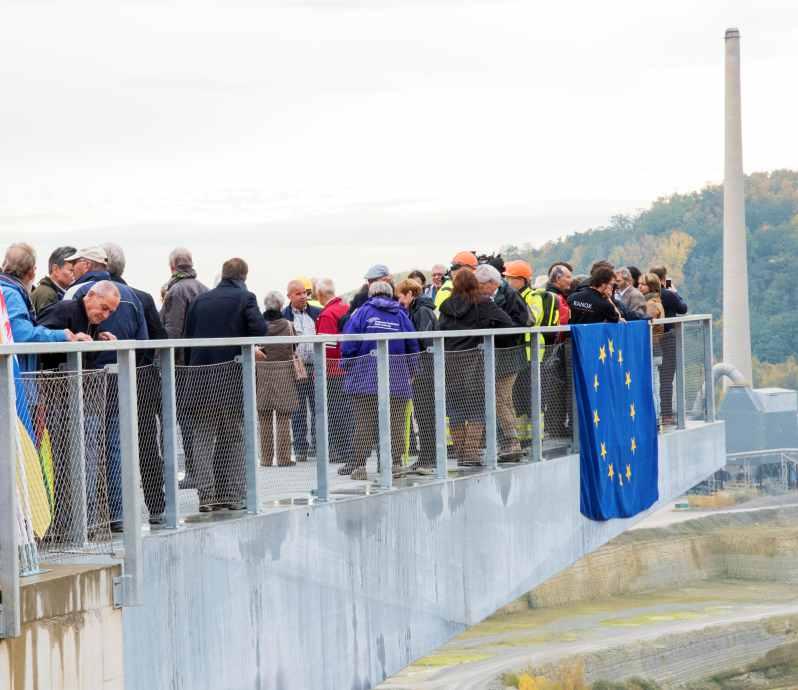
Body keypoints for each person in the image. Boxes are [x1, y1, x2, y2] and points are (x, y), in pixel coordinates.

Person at [183, 258, 268, 512]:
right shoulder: (246, 298)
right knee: (234, 437)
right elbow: (259, 330)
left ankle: (206, 496)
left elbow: (188, 338)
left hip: (199, 377)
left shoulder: (200, 300)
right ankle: (234, 495)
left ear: (222, 274)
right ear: (244, 276)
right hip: (231, 377)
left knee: (202, 438)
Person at [103, 242, 167, 525]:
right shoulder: (141, 297)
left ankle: (113, 512)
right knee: (146, 444)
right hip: (141, 378)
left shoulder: (88, 295)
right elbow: (159, 339)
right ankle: (156, 505)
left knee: (107, 444)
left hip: (103, 381)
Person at [337, 281, 420, 481]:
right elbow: (412, 344)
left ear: (371, 294)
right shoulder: (401, 315)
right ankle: (395, 464)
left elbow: (349, 342)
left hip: (364, 377)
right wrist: (413, 370)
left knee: (364, 423)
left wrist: (347, 365)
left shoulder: (361, 313)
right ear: (391, 294)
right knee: (397, 423)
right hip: (397, 377)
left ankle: (359, 466)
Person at [439, 270, 516, 466]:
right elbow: (509, 326)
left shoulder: (446, 306)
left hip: (450, 363)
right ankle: (472, 453)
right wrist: (490, 336)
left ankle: (461, 454)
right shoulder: (483, 303)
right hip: (476, 361)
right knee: (477, 407)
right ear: (475, 284)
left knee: (455, 409)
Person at [0, 243, 87, 372]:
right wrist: (62, 335)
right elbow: (21, 334)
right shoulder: (12, 294)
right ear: (31, 272)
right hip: (11, 375)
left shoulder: (7, 290)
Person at [62, 246, 148, 367]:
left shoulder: (75, 291)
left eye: (74, 263)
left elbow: (66, 335)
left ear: (86, 265)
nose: (72, 268)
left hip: (85, 379)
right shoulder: (131, 295)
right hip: (125, 377)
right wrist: (128, 369)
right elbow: (142, 342)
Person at [475, 264, 527, 462]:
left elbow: (524, 322)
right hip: (489, 354)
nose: (478, 290)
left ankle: (511, 441)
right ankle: (503, 440)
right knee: (496, 398)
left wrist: (499, 326)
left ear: (491, 283)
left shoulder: (510, 296)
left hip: (508, 353)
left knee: (500, 397)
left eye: (480, 286)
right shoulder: (488, 296)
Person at [396, 278, 438, 471]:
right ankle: (427, 457)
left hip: (425, 371)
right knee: (422, 415)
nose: (399, 302)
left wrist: (416, 367)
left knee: (425, 414)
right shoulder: (417, 311)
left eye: (401, 297)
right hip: (423, 369)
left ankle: (429, 458)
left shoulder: (421, 312)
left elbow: (425, 342)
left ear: (410, 294)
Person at [257, 291, 299, 467]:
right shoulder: (288, 325)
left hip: (261, 372)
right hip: (284, 371)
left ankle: (266, 459)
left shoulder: (258, 325)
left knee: (264, 416)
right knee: (283, 416)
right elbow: (294, 345)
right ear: (281, 305)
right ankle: (283, 458)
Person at [283, 279, 322, 462]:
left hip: (315, 368)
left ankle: (317, 445)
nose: (303, 296)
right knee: (298, 411)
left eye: (305, 293)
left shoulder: (317, 313)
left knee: (318, 409)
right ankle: (300, 449)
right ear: (289, 295)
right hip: (295, 369)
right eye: (298, 293)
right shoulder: (284, 317)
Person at [315, 277, 352, 464]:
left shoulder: (327, 315)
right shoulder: (345, 308)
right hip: (348, 368)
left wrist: (321, 372)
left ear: (320, 294)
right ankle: (350, 449)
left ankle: (340, 450)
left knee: (335, 412)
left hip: (334, 372)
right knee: (348, 410)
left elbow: (326, 348)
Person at [650, 266, 688, 425]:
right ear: (663, 279)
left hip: (651, 340)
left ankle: (654, 413)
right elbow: (683, 309)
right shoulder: (667, 294)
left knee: (652, 378)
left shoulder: (646, 297)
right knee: (666, 378)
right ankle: (666, 415)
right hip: (668, 339)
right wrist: (675, 293)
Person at [161, 247, 208, 351]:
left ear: (172, 266)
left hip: (181, 359)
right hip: (200, 352)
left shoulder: (176, 290)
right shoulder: (205, 289)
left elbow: (173, 329)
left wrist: (163, 357)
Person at [640, 273, 666, 420]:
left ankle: (655, 418)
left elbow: (644, 322)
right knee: (653, 385)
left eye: (642, 284)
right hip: (656, 349)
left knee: (651, 387)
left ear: (650, 286)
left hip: (652, 349)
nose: (639, 287)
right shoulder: (657, 301)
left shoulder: (651, 304)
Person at [30, 246, 77, 317]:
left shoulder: (50, 291)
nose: (75, 274)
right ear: (55, 269)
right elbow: (47, 326)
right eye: (71, 270)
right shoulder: (47, 295)